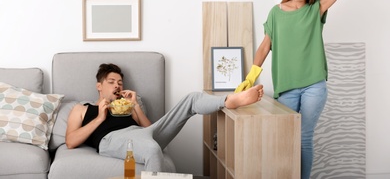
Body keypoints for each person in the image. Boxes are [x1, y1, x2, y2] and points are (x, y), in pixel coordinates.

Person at [235, 0, 347, 179]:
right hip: (286, 87)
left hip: (314, 85)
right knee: (285, 138)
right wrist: (251, 76)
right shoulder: (276, 12)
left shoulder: (316, 9)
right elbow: (265, 46)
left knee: (304, 137)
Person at [66, 63, 264, 172]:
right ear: (99, 86)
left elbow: (149, 129)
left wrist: (135, 106)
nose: (117, 86)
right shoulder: (82, 109)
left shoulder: (128, 105)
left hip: (142, 135)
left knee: (192, 98)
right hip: (112, 140)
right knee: (152, 149)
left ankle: (229, 100)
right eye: (111, 82)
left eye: (120, 82)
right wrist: (100, 117)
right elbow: (70, 142)